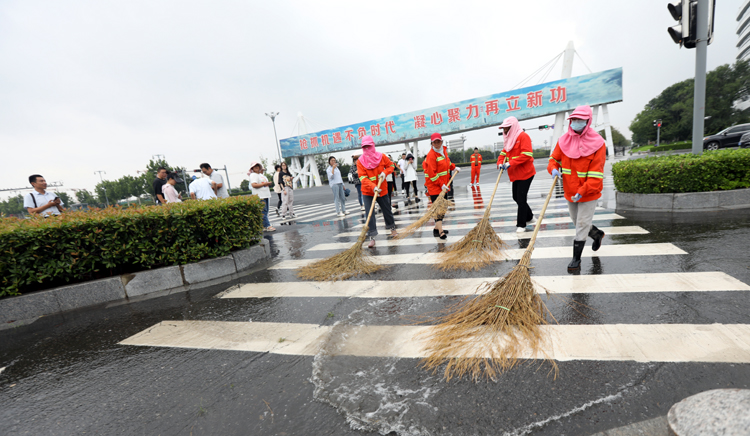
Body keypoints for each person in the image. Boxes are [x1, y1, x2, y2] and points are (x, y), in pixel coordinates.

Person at [547, 105, 606, 273]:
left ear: (588, 121)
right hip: (570, 190)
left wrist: (583, 190)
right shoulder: (563, 140)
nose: (576, 122)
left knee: (581, 224)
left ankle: (576, 259)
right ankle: (596, 234)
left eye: (580, 120)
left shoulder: (598, 143)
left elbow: (596, 174)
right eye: (573, 119)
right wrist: (553, 169)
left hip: (589, 192)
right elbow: (553, 159)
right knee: (577, 221)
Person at [497, 116, 536, 233]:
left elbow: (527, 154)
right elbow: (503, 153)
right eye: (504, 128)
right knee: (516, 197)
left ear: (513, 127)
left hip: (526, 173)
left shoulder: (523, 136)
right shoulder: (508, 140)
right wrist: (500, 163)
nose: (505, 131)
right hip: (515, 174)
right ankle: (530, 217)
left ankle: (521, 224)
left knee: (521, 198)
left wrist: (511, 163)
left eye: (507, 128)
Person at [357, 135, 398, 247]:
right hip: (368, 191)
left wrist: (385, 172)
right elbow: (362, 177)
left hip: (382, 189)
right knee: (369, 214)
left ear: (373, 145)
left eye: (369, 146)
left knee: (387, 209)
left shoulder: (381, 156)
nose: (367, 149)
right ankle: (372, 237)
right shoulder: (360, 161)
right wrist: (372, 186)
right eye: (364, 147)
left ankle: (392, 228)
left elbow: (391, 166)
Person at [423, 133, 459, 239]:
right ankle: (440, 231)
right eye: (435, 142)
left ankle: (436, 228)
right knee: (438, 209)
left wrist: (454, 167)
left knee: (443, 207)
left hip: (444, 185)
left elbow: (447, 163)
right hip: (434, 186)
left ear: (441, 141)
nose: (437, 144)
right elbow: (432, 174)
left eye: (439, 141)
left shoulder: (443, 151)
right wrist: (441, 184)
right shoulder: (431, 155)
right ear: (432, 143)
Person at [248, 162, 275, 232]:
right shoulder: (253, 175)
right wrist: (264, 184)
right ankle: (267, 226)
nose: (256, 167)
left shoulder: (260, 175)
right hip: (260, 196)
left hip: (265, 194)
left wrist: (267, 184)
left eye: (257, 166)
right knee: (263, 211)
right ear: (252, 168)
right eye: (255, 166)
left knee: (265, 211)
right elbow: (254, 185)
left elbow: (263, 183)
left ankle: (263, 226)